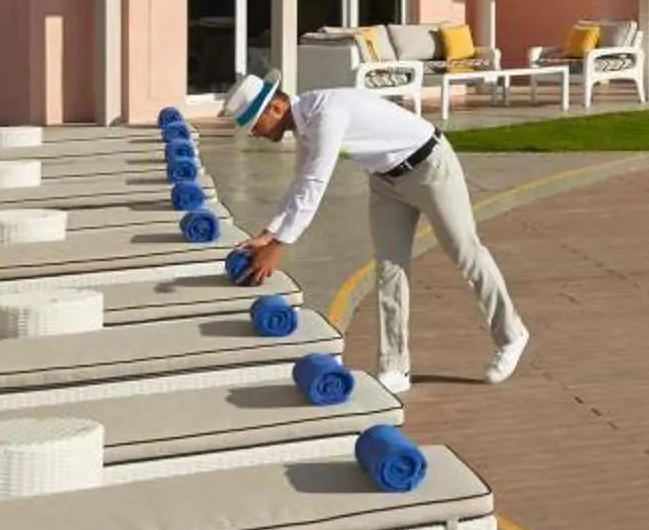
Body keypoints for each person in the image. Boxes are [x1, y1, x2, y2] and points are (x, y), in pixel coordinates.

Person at [225, 73, 531, 394]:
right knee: (389, 268)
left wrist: (280, 245)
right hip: (386, 181)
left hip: (429, 166)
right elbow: (301, 181)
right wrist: (269, 233)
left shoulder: (327, 112)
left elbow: (316, 182)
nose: (254, 135)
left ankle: (512, 335)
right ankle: (394, 366)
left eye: (253, 125)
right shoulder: (306, 124)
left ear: (275, 106)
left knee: (465, 252)